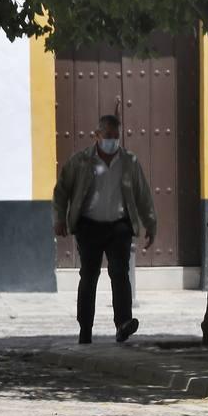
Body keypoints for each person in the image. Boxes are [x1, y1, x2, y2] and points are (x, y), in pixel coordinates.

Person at [53, 114, 157, 344]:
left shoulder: (129, 161)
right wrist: (59, 218)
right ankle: (85, 329)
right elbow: (62, 190)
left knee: (120, 274)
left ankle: (123, 324)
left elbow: (142, 194)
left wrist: (150, 223)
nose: (112, 140)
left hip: (119, 226)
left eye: (115, 136)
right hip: (88, 226)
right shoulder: (81, 162)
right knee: (89, 276)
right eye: (107, 136)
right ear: (97, 136)